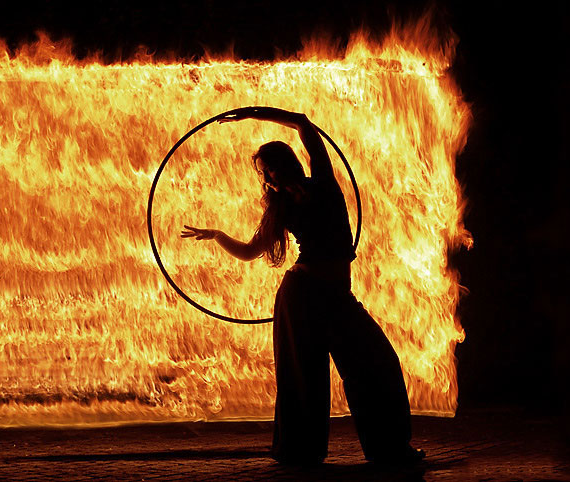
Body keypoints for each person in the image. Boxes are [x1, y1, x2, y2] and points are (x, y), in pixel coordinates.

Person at [181, 107, 424, 466]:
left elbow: (302, 122)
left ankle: (390, 451)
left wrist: (251, 113)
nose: (269, 179)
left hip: (336, 297)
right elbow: (250, 251)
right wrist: (218, 235)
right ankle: (300, 456)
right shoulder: (280, 208)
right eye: (263, 175)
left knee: (377, 364)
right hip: (301, 297)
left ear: (288, 161)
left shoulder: (322, 183)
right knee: (302, 377)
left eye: (271, 168)